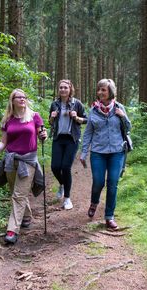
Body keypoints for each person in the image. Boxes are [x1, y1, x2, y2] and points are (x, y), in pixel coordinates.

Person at [0, 89, 47, 244]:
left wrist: (43, 136)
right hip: (10, 160)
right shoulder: (8, 120)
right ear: (12, 100)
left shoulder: (34, 116)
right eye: (18, 97)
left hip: (28, 161)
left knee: (18, 195)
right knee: (16, 192)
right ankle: (26, 216)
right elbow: (3, 142)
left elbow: (42, 136)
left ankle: (12, 230)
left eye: (24, 97)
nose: (22, 99)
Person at [80, 79, 131, 231]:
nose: (100, 93)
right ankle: (94, 202)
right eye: (99, 90)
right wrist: (83, 153)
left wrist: (123, 116)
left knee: (113, 183)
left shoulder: (119, 107)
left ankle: (109, 216)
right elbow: (88, 133)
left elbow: (128, 128)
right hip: (98, 152)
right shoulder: (93, 110)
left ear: (111, 92)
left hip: (117, 151)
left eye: (103, 90)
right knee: (98, 182)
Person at [49, 79, 87, 210]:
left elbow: (86, 120)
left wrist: (76, 118)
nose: (63, 90)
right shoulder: (54, 104)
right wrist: (52, 117)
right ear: (58, 90)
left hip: (72, 139)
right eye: (61, 88)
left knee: (65, 167)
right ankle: (62, 184)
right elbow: (50, 122)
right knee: (54, 167)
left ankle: (67, 199)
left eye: (65, 87)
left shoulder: (77, 104)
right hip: (58, 138)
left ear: (70, 89)